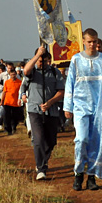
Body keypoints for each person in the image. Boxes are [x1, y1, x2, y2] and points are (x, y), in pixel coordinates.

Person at [64, 28, 102, 191]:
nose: (92, 44)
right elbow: (69, 84)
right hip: (80, 106)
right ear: (83, 41)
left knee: (97, 142)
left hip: (100, 107)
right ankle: (78, 174)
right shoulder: (76, 60)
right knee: (81, 139)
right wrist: (67, 106)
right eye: (89, 41)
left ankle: (91, 176)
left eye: (95, 41)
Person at [23, 48, 65, 180]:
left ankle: (42, 159)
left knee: (51, 141)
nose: (41, 63)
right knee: (38, 139)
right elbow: (25, 71)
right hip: (34, 110)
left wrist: (50, 102)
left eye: (44, 61)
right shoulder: (33, 71)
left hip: (51, 111)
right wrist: (37, 55)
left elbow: (61, 91)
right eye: (40, 61)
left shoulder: (54, 72)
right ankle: (41, 168)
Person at [0, 68, 23, 135]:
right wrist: (1, 100)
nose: (13, 76)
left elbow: (21, 92)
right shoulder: (7, 82)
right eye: (11, 74)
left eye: (14, 74)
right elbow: (4, 92)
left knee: (15, 116)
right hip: (7, 102)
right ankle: (8, 130)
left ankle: (14, 127)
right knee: (7, 116)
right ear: (9, 75)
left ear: (16, 75)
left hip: (16, 103)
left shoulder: (19, 82)